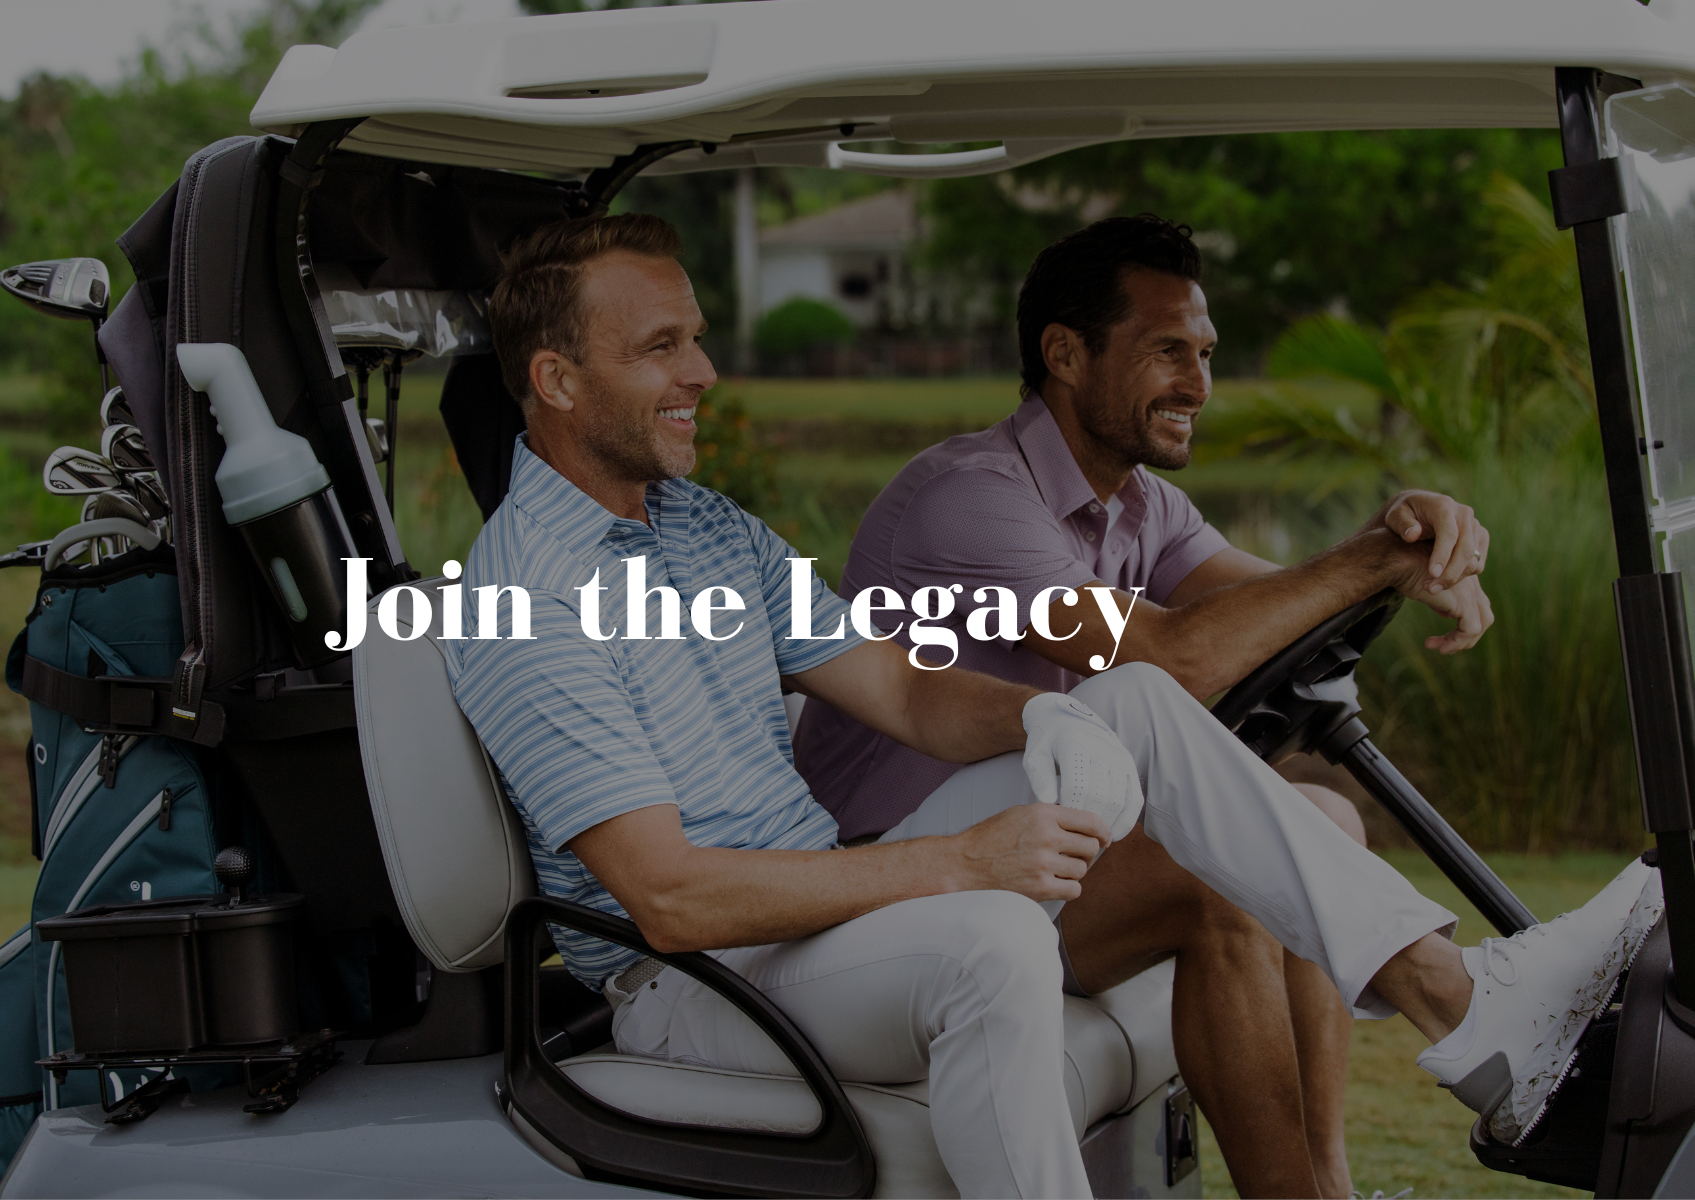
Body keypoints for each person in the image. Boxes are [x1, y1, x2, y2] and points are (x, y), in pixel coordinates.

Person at [445, 211, 1662, 1200]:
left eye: (696, 340)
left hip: (815, 914)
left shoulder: (706, 530)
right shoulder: (525, 600)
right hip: (701, 984)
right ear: (557, 380)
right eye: (662, 348)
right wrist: (963, 861)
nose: (704, 372)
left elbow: (902, 690)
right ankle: (1471, 1022)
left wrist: (1051, 721)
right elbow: (671, 899)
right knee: (990, 935)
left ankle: (1473, 1008)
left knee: (1124, 696)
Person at [793, 214, 1496, 1196]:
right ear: (1065, 354)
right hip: (900, 874)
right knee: (1211, 866)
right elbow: (1170, 656)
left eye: (1205, 354)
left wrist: (1401, 548)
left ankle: (1329, 1183)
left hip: (1033, 850)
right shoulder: (970, 499)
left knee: (1324, 815)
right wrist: (1365, 560)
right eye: (1168, 351)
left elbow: (1278, 601)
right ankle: (1423, 1028)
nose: (1198, 385)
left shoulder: (1140, 506)